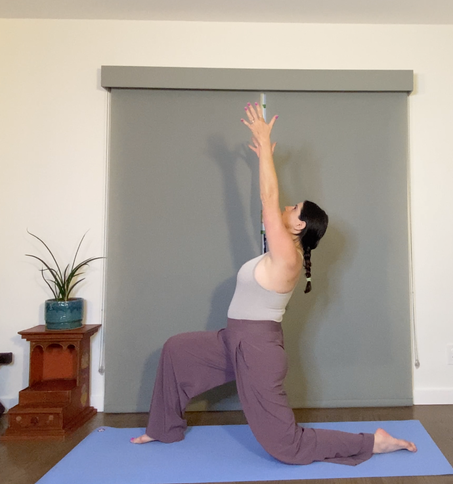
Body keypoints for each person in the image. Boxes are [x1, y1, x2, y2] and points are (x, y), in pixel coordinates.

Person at [131, 102, 417, 465]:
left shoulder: (288, 257)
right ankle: (164, 428)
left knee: (287, 447)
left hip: (257, 351)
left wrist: (264, 144)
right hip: (232, 340)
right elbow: (263, 205)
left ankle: (372, 442)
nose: (285, 208)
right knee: (177, 350)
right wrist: (232, 167)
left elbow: (268, 199)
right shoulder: (278, 249)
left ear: (299, 227)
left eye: (293, 208)